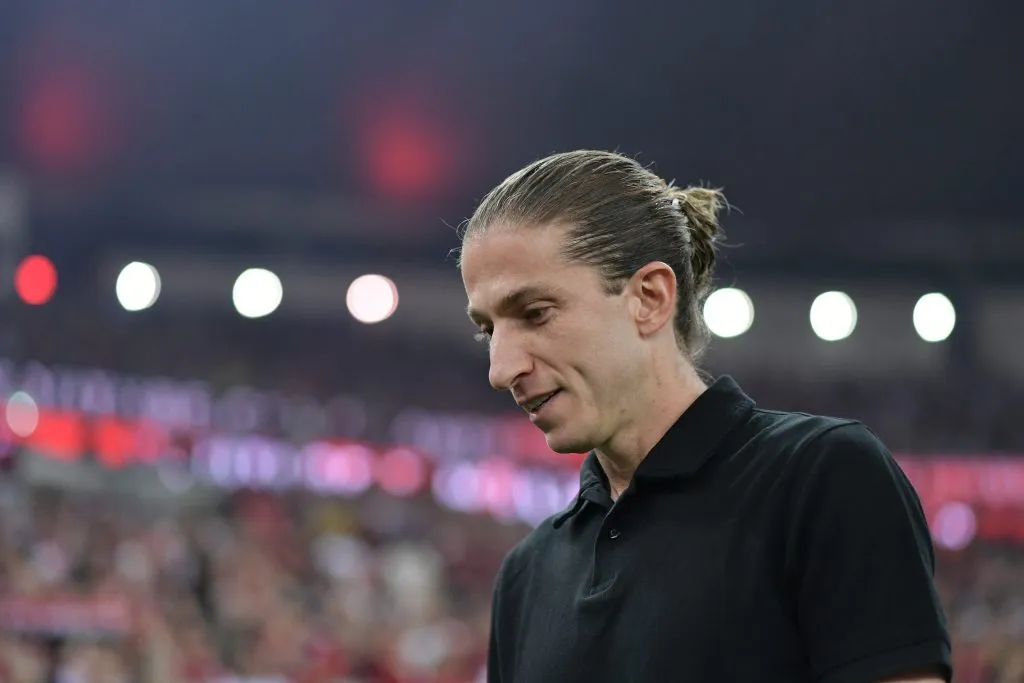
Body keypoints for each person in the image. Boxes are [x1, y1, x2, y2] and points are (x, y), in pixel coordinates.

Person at [458, 150, 951, 682]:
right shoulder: (526, 575)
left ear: (649, 298)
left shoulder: (823, 478)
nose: (501, 368)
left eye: (535, 314)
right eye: (488, 330)